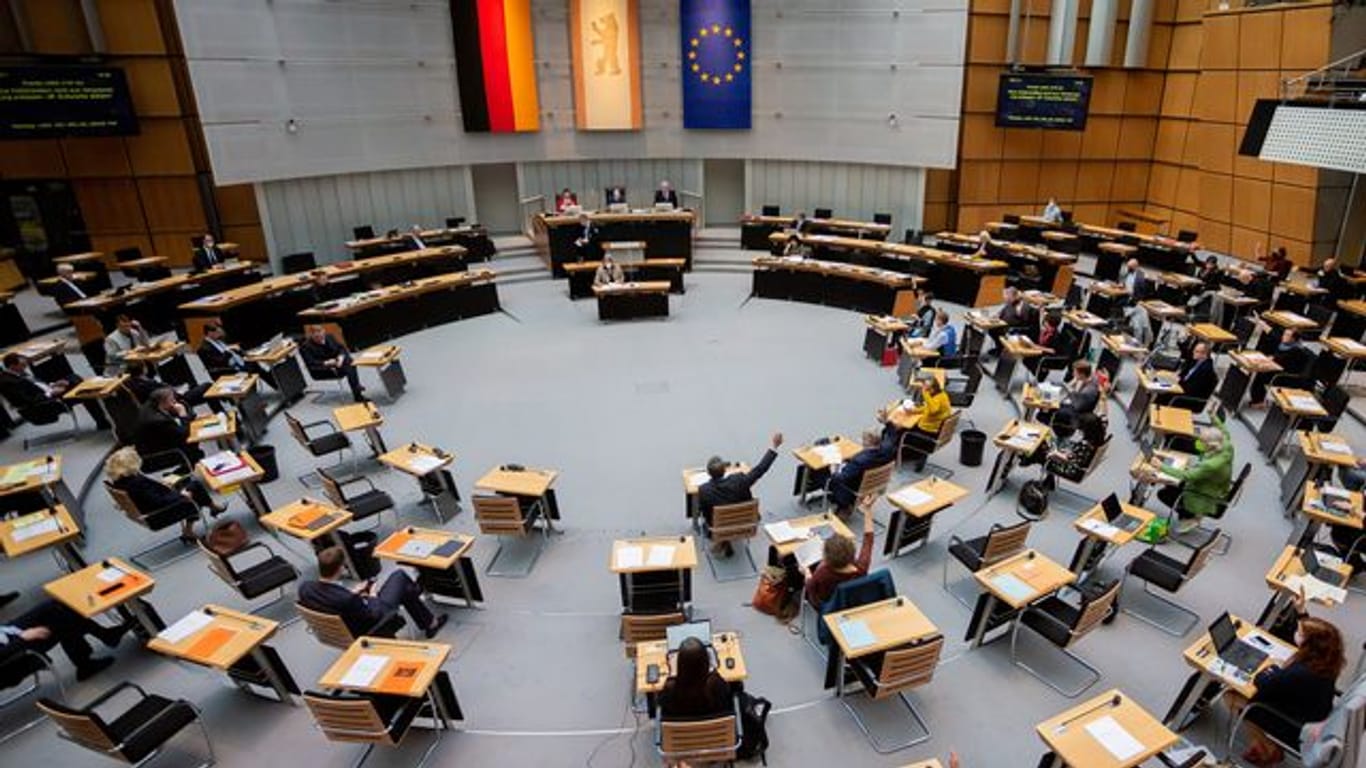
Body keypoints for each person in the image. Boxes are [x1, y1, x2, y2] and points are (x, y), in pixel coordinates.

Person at [1233, 616, 1345, 765]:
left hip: (1294, 726)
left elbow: (1262, 682)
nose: (1295, 633)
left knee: (1232, 696)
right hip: (1314, 716)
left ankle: (1267, 749)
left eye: (1299, 633)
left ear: (1309, 643)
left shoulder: (1300, 672)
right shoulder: (1327, 662)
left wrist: (1271, 668)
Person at [298, 546, 447, 638]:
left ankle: (424, 612)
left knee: (405, 590)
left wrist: (354, 593)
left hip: (341, 631)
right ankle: (419, 597)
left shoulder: (305, 588)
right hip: (370, 626)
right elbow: (374, 615)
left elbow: (330, 599)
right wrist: (372, 595)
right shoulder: (347, 599)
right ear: (341, 568)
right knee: (399, 577)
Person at [105, 446, 223, 541]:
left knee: (187, 485)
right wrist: (181, 495)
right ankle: (211, 509)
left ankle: (210, 511)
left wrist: (163, 487)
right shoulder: (136, 482)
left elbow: (148, 495)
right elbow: (158, 501)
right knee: (194, 487)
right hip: (160, 515)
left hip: (149, 511)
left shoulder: (119, 482)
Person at [0, 597, 127, 681]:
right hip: (11, 656)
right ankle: (89, 659)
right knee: (63, 618)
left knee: (55, 605)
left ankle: (103, 640)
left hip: (7, 632)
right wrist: (22, 638)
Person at [698, 432, 782, 556]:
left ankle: (723, 540)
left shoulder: (704, 490)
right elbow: (760, 469)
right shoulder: (740, 480)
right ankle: (725, 539)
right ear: (725, 469)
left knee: (704, 518)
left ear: (709, 473)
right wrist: (774, 446)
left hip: (718, 530)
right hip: (746, 525)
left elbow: (705, 514)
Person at [1156, 417, 1232, 533]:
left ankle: (1190, 515)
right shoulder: (1226, 447)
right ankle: (1189, 514)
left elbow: (1187, 476)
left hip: (1201, 494)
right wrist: (1212, 415)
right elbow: (1224, 431)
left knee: (1163, 493)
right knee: (1170, 484)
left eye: (1202, 441)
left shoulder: (1210, 465)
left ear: (1210, 445)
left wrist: (1160, 466)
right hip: (1214, 486)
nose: (1198, 443)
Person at [0, 352, 111, 430]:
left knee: (73, 377)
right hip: (44, 404)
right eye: (22, 365)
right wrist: (51, 393)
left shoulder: (18, 373)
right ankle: (101, 422)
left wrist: (53, 384)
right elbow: (27, 400)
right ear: (12, 366)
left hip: (49, 392)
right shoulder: (7, 382)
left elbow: (36, 385)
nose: (25, 368)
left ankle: (101, 417)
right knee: (82, 392)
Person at [804, 495, 876, 607]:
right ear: (852, 553)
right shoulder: (861, 568)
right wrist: (867, 510)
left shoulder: (822, 573)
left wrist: (806, 573)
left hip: (826, 605)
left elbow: (810, 587)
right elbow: (868, 539)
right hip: (850, 602)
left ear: (827, 559)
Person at [658, 636, 732, 719]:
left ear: (680, 664)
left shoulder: (670, 688)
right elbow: (727, 697)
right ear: (706, 661)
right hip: (716, 730)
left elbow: (661, 705)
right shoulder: (716, 683)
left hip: (681, 731)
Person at [1025, 412, 1107, 488]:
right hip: (1074, 466)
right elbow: (1076, 456)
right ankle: (1047, 478)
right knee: (1047, 447)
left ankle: (1028, 459)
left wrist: (1055, 453)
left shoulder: (1085, 445)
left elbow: (1069, 460)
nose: (1079, 429)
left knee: (1041, 453)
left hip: (1070, 470)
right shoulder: (1095, 440)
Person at [827, 429, 894, 517]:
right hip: (873, 486)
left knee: (824, 475)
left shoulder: (859, 461)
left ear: (868, 442)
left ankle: (843, 504)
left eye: (863, 439)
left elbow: (841, 478)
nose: (861, 441)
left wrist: (832, 470)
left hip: (853, 489)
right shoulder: (886, 452)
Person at [895, 377, 953, 472]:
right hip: (933, 429)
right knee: (909, 426)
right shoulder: (942, 395)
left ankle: (902, 456)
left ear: (933, 389)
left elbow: (933, 410)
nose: (925, 390)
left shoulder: (936, 399)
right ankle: (916, 454)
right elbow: (927, 408)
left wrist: (925, 393)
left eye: (927, 388)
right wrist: (914, 411)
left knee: (901, 430)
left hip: (928, 432)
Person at [134, 387, 202, 466]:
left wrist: (191, 417)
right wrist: (183, 414)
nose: (175, 402)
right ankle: (191, 468)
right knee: (192, 443)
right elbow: (184, 434)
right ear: (163, 403)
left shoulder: (151, 405)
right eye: (172, 400)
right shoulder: (158, 420)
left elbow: (182, 407)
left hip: (157, 445)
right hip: (160, 455)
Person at [1248, 328, 1313, 407]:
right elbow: (1277, 358)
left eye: (1287, 335)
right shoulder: (1284, 345)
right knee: (1261, 373)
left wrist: (1268, 360)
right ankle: (1257, 399)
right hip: (1280, 369)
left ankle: (1258, 401)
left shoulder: (1296, 350)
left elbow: (1281, 360)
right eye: (1284, 334)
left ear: (1293, 339)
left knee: (1262, 375)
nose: (1283, 336)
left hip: (1287, 377)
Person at [300, 324, 365, 402]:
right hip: (322, 370)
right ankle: (357, 391)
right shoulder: (306, 347)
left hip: (338, 364)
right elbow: (311, 363)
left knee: (348, 361)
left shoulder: (329, 337)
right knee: (349, 364)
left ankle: (356, 390)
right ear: (311, 335)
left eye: (319, 332)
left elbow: (341, 348)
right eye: (314, 333)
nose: (318, 335)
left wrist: (341, 358)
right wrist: (326, 363)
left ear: (323, 331)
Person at [197, 322, 274, 388]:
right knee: (251, 369)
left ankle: (277, 385)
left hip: (237, 363)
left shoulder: (219, 340)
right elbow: (220, 361)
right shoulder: (204, 348)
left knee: (255, 365)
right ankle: (252, 401)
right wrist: (228, 350)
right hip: (227, 370)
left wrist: (243, 353)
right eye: (217, 332)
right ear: (210, 333)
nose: (220, 334)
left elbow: (234, 350)